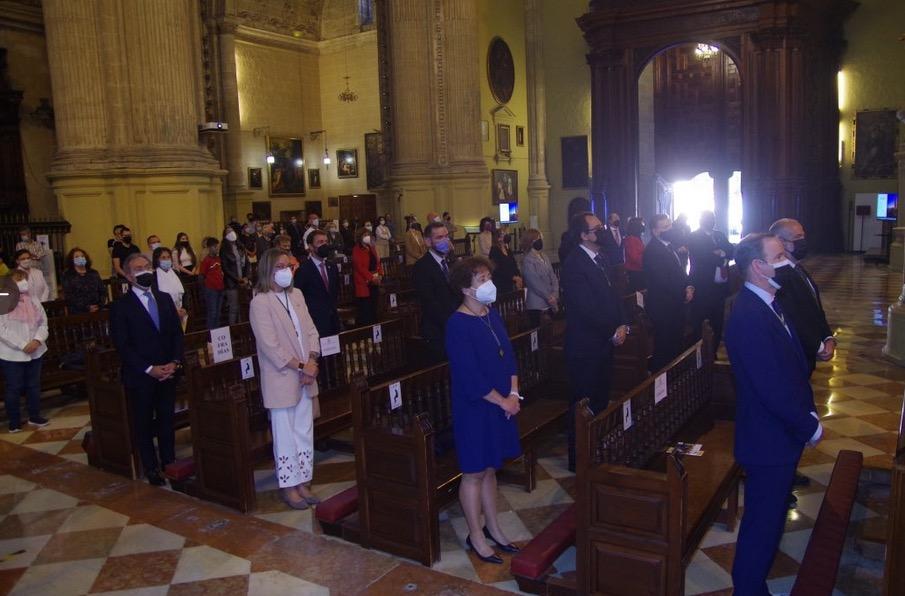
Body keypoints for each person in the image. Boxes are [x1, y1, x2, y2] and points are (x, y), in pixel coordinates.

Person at [724, 233, 823, 595]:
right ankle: (748, 589)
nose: (787, 262)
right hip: (768, 438)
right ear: (758, 267)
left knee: (770, 518)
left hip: (778, 435)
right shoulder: (748, 316)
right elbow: (770, 387)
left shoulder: (770, 302)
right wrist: (807, 426)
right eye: (779, 256)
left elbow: (791, 367)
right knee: (763, 523)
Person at [445, 256, 522, 564]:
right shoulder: (457, 323)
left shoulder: (491, 314)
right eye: (481, 279)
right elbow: (469, 375)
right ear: (466, 288)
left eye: (489, 277)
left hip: (502, 402)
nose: (488, 284)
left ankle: (494, 528)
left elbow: (509, 355)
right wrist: (502, 400)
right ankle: (475, 534)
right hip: (476, 406)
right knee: (474, 471)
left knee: (491, 468)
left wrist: (514, 392)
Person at [249, 248, 322, 509]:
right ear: (268, 270)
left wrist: (312, 361)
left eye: (288, 266)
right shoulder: (260, 301)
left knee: (304, 430)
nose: (286, 271)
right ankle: (289, 485)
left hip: (306, 373)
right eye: (280, 266)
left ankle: (304, 481)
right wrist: (301, 366)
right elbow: (270, 346)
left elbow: (312, 331)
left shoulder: (297, 295)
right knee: (285, 433)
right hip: (282, 375)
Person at [561, 212, 629, 471]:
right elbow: (585, 308)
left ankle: (595, 450)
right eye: (597, 228)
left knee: (600, 399)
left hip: (603, 342)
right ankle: (579, 459)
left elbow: (615, 295)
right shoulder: (574, 264)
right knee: (582, 404)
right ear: (584, 235)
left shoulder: (601, 258)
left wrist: (622, 323)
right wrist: (612, 329)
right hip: (585, 345)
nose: (601, 231)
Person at [110, 253, 184, 486]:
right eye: (139, 269)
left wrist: (175, 361)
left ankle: (169, 461)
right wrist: (149, 368)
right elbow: (123, 345)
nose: (146, 271)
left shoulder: (163, 299)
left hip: (168, 371)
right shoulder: (121, 306)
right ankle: (151, 467)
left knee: (166, 419)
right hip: (142, 374)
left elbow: (176, 334)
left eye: (147, 267)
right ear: (130, 276)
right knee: (143, 421)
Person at [769, 218, 836, 372]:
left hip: (809, 353)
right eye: (797, 238)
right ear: (780, 241)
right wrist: (819, 347)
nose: (803, 241)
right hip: (796, 355)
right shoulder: (779, 278)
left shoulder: (798, 269)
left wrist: (827, 337)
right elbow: (794, 318)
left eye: (803, 236)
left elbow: (814, 309)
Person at [0, 269, 50, 433]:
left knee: (33, 385)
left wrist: (37, 340)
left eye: (24, 279)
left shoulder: (33, 299)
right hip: (11, 353)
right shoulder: (3, 299)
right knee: (14, 387)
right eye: (18, 279)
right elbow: (2, 329)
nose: (23, 282)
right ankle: (14, 421)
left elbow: (43, 323)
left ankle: (34, 415)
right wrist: (23, 344)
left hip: (36, 350)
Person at [643, 214, 694, 372]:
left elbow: (679, 271)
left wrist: (688, 286)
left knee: (676, 342)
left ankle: (675, 376)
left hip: (674, 303)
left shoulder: (670, 245)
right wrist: (683, 293)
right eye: (665, 227)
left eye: (669, 225)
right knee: (665, 347)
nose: (670, 229)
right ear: (655, 231)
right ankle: (661, 382)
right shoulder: (652, 251)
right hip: (663, 306)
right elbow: (663, 280)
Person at [412, 222, 458, 362]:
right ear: (428, 241)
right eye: (439, 237)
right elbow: (430, 303)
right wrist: (453, 322)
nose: (445, 240)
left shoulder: (450, 262)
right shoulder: (422, 267)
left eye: (446, 236)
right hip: (437, 331)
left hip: (455, 326)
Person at [687, 211, 733, 347]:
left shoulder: (719, 235)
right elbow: (702, 257)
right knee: (700, 320)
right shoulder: (694, 236)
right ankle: (700, 352)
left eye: (712, 218)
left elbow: (731, 250)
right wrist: (721, 257)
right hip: (702, 285)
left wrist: (722, 253)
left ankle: (714, 350)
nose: (710, 221)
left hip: (719, 287)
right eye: (707, 219)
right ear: (701, 220)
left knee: (717, 320)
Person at [294, 229, 341, 337]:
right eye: (320, 242)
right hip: (314, 320)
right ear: (310, 247)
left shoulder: (332, 266)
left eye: (326, 242)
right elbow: (298, 296)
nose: (324, 245)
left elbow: (335, 290)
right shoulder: (303, 270)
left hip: (332, 318)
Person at [520, 229, 559, 327]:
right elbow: (534, 283)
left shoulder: (544, 256)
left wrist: (555, 293)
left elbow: (552, 276)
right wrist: (549, 297)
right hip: (537, 303)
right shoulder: (528, 260)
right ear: (530, 242)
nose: (541, 240)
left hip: (550, 300)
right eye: (537, 239)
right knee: (539, 335)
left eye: (541, 238)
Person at [351, 227, 383, 326]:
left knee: (374, 307)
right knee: (366, 310)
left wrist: (380, 274)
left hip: (374, 282)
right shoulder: (356, 250)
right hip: (364, 282)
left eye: (368, 235)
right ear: (360, 238)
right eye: (364, 235)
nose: (367, 237)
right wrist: (371, 277)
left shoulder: (371, 248)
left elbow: (377, 262)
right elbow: (360, 267)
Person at [62, 247, 106, 314]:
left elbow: (102, 291)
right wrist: (87, 307)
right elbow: (69, 296)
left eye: (82, 256)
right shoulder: (68, 275)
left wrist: (99, 305)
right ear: (72, 260)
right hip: (78, 312)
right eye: (77, 257)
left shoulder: (93, 273)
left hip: (97, 310)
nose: (80, 258)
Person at [220, 226, 250, 325]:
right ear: (225, 236)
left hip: (243, 280)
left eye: (232, 231)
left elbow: (247, 263)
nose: (231, 233)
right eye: (228, 232)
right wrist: (237, 279)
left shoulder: (240, 247)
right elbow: (225, 268)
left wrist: (246, 277)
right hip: (231, 282)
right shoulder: (224, 249)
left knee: (243, 306)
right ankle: (233, 330)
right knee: (234, 307)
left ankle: (242, 328)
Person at [152, 247, 186, 321]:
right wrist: (173, 311)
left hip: (181, 310)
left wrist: (184, 308)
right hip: (164, 313)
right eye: (163, 258)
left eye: (168, 257)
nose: (166, 260)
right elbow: (156, 297)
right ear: (157, 260)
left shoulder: (176, 273)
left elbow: (184, 291)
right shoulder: (154, 277)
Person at [198, 237, 225, 330]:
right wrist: (204, 291)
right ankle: (211, 334)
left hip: (220, 288)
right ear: (209, 247)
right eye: (215, 247)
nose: (217, 249)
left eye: (218, 247)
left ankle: (217, 333)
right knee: (212, 313)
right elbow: (201, 276)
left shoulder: (218, 258)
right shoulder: (206, 260)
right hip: (211, 290)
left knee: (218, 313)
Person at [488, 230, 522, 294]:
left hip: (511, 283)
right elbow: (497, 269)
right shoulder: (494, 250)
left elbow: (514, 264)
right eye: (503, 234)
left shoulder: (508, 249)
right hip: (501, 284)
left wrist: (519, 276)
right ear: (498, 238)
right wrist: (513, 277)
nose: (506, 235)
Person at [623, 216, 646, 292]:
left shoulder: (637, 238)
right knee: (638, 296)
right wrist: (648, 260)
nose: (643, 226)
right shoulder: (631, 239)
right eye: (642, 224)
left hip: (640, 271)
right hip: (635, 273)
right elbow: (635, 258)